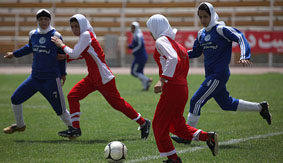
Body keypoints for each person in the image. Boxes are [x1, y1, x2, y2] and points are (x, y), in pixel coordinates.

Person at [171, 2, 272, 145]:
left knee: (196, 100)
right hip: (211, 76)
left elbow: (240, 37)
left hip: (219, 75)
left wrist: (245, 55)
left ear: (212, 15)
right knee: (226, 104)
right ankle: (261, 107)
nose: (203, 20)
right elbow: (195, 52)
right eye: (200, 17)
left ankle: (187, 136)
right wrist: (178, 55)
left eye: (206, 16)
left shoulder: (220, 29)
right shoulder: (201, 33)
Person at [51, 14, 151, 139]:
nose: (74, 29)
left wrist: (61, 45)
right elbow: (84, 54)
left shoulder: (86, 35)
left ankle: (143, 122)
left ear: (82, 25)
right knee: (73, 96)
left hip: (103, 78)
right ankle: (75, 129)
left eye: (77, 26)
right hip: (93, 77)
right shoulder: (86, 35)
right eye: (72, 27)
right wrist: (65, 57)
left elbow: (76, 53)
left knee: (118, 104)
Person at [146, 14, 218, 163]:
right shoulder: (177, 44)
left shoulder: (161, 41)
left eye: (150, 30)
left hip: (172, 88)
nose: (150, 33)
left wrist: (162, 80)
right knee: (176, 126)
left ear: (155, 28)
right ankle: (208, 137)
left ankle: (173, 159)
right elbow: (181, 62)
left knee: (159, 125)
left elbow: (173, 59)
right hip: (182, 88)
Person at [3, 9, 72, 135]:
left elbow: (62, 56)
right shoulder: (33, 34)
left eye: (46, 19)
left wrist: (63, 74)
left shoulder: (56, 35)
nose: (44, 21)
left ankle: (72, 129)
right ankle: (20, 125)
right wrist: (14, 54)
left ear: (50, 20)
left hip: (51, 79)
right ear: (37, 20)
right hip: (35, 78)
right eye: (41, 19)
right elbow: (29, 47)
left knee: (60, 109)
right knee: (15, 99)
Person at [128, 21, 152, 91]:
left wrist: (133, 50)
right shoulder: (136, 35)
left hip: (140, 56)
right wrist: (130, 46)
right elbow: (134, 45)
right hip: (140, 56)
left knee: (134, 72)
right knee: (140, 72)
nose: (131, 29)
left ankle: (147, 79)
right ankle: (145, 87)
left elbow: (139, 45)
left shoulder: (138, 35)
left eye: (133, 27)